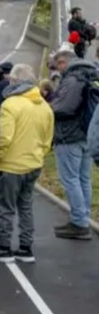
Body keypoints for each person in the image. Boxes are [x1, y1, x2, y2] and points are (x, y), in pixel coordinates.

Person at [0, 64, 54, 263]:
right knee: (26, 206)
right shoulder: (44, 106)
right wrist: (39, 155)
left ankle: (4, 247)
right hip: (33, 162)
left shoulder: (10, 105)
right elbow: (48, 139)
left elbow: (5, 138)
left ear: (14, 81)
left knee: (5, 208)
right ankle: (25, 247)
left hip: (11, 164)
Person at [47, 49, 96, 240]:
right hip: (86, 134)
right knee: (84, 179)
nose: (57, 70)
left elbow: (65, 107)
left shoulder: (73, 79)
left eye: (57, 65)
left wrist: (48, 108)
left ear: (63, 63)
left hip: (69, 135)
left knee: (71, 179)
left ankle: (79, 222)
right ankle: (83, 217)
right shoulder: (90, 75)